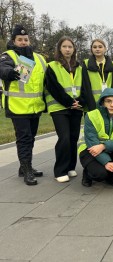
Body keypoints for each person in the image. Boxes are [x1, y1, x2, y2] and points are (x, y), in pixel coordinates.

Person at [0, 25, 47, 186]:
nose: (23, 42)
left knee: (31, 138)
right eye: (19, 40)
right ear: (14, 41)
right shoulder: (8, 55)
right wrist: (9, 73)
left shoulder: (39, 58)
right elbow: (3, 69)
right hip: (17, 106)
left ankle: (24, 166)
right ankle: (27, 170)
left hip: (35, 106)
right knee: (24, 138)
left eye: (25, 39)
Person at [45, 36, 85, 183]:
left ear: (74, 49)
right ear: (59, 49)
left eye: (70, 47)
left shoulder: (79, 67)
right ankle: (60, 170)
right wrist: (69, 102)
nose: (67, 49)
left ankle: (70, 166)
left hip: (76, 107)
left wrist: (79, 101)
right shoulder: (52, 66)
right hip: (59, 107)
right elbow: (53, 87)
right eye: (64, 47)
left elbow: (84, 86)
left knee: (74, 137)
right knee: (64, 137)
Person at [78, 88, 113, 187]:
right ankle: (87, 174)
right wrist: (106, 162)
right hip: (89, 149)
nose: (112, 105)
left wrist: (104, 146)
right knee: (100, 174)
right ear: (102, 102)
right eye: (108, 101)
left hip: (107, 148)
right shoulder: (91, 115)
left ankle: (112, 178)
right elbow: (92, 142)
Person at [82, 39, 113, 111]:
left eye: (100, 47)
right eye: (94, 47)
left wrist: (111, 104)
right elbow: (86, 87)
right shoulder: (86, 64)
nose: (97, 49)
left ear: (105, 49)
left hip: (109, 106)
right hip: (91, 105)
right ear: (91, 49)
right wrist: (92, 107)